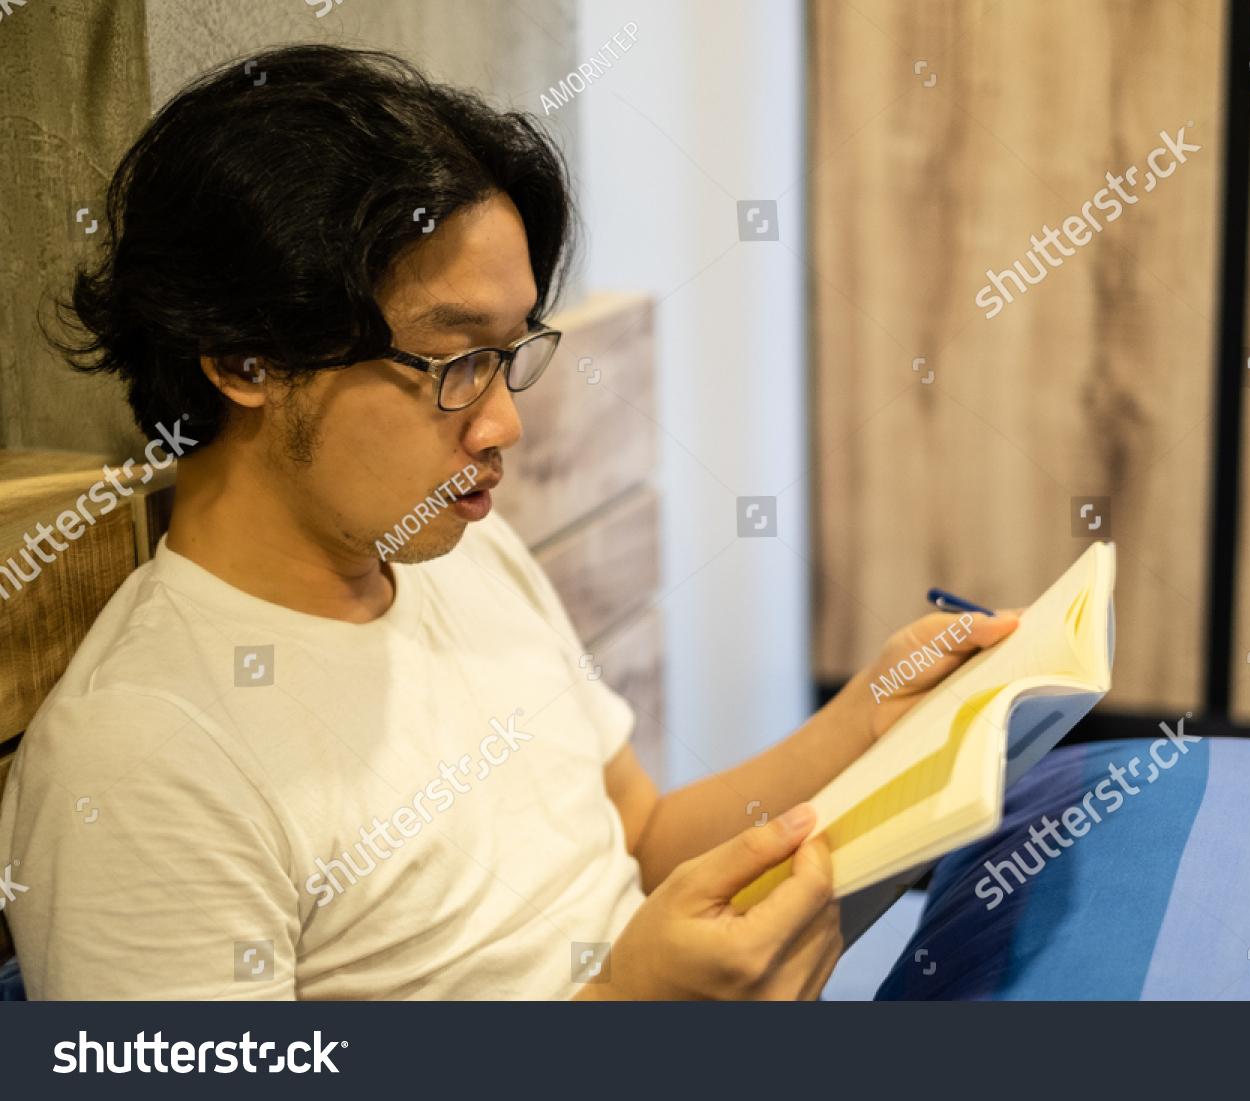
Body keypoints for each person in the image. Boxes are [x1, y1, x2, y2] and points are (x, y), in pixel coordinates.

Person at [0, 44, 1017, 1000]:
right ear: (245, 362)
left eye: (510, 354)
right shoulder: (142, 759)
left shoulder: (463, 549)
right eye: (455, 362)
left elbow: (640, 838)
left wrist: (868, 717)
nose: (504, 425)